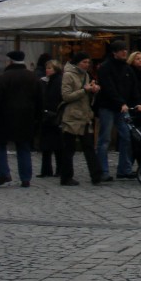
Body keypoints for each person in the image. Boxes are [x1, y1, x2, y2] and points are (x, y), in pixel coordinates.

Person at [0, 50, 43, 187]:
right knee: (24, 147)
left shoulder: (3, 78)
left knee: (0, 146)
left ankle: (4, 174)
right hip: (26, 118)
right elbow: (40, 100)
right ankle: (25, 178)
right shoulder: (33, 78)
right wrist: (38, 119)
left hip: (4, 119)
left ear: (10, 61)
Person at [95, 40, 138, 180]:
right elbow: (108, 88)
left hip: (122, 107)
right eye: (121, 50)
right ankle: (103, 171)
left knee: (126, 136)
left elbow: (133, 88)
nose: (125, 52)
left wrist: (137, 103)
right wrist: (121, 103)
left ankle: (124, 169)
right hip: (108, 106)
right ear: (114, 52)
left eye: (125, 49)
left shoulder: (127, 68)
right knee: (105, 139)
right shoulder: (105, 67)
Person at [58, 51, 102, 186]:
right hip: (72, 117)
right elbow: (66, 96)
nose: (87, 64)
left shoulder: (86, 75)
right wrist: (85, 90)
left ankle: (96, 175)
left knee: (89, 146)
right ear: (77, 62)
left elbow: (86, 96)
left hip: (85, 116)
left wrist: (93, 91)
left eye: (88, 62)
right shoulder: (68, 75)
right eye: (84, 62)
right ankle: (66, 177)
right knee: (69, 148)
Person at [37, 59, 64, 178]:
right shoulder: (44, 81)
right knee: (46, 144)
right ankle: (47, 170)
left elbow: (56, 98)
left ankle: (58, 169)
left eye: (49, 68)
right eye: (46, 68)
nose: (47, 70)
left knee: (57, 145)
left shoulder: (58, 81)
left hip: (54, 115)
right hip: (47, 115)